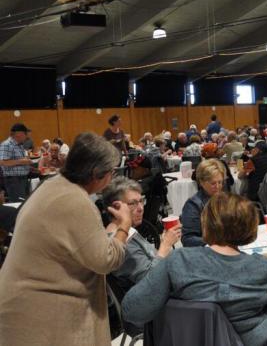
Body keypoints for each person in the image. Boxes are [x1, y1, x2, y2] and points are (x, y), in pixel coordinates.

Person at [0, 132, 131, 346]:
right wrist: (124, 225)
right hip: (40, 313)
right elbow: (105, 261)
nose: (112, 177)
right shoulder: (75, 201)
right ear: (97, 173)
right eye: (111, 172)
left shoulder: (54, 184)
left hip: (24, 303)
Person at [122, 192, 267, 346]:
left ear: (206, 224)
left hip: (193, 339)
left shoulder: (179, 261)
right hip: (253, 340)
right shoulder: (263, 266)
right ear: (251, 227)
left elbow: (133, 311)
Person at [103, 177, 181, 292]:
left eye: (141, 201)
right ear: (116, 207)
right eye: (133, 203)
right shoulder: (121, 241)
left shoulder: (126, 230)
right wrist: (165, 246)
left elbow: (151, 260)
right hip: (154, 302)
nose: (140, 208)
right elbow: (151, 281)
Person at [181, 159, 226, 247]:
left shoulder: (224, 199)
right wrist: (216, 242)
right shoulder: (193, 205)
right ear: (201, 182)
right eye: (213, 183)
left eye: (220, 182)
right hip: (206, 253)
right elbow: (188, 239)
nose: (217, 186)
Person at [0, 123, 33, 201]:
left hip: (21, 178)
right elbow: (3, 162)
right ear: (19, 134)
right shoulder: (7, 144)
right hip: (14, 180)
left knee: (23, 202)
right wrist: (22, 161)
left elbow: (20, 161)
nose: (27, 136)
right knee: (17, 203)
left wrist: (29, 167)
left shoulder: (19, 145)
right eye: (26, 133)